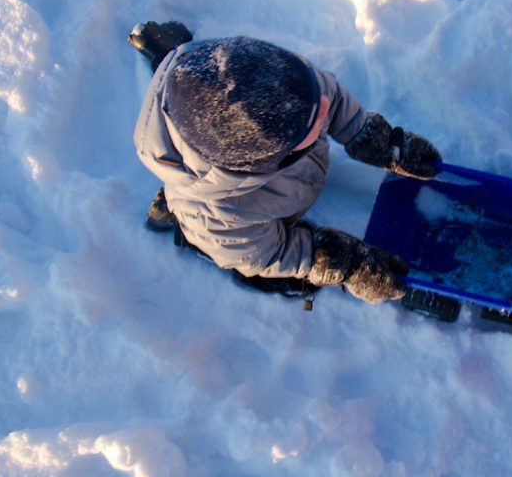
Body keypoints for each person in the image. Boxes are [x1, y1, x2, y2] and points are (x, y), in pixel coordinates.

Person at [129, 21, 442, 304]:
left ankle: (168, 54)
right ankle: (181, 227)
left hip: (219, 108)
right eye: (309, 126)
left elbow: (327, 96)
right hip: (231, 225)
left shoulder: (281, 80)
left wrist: (378, 141)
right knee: (254, 264)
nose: (324, 109)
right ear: (267, 163)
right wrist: (345, 263)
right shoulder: (221, 216)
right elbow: (273, 253)